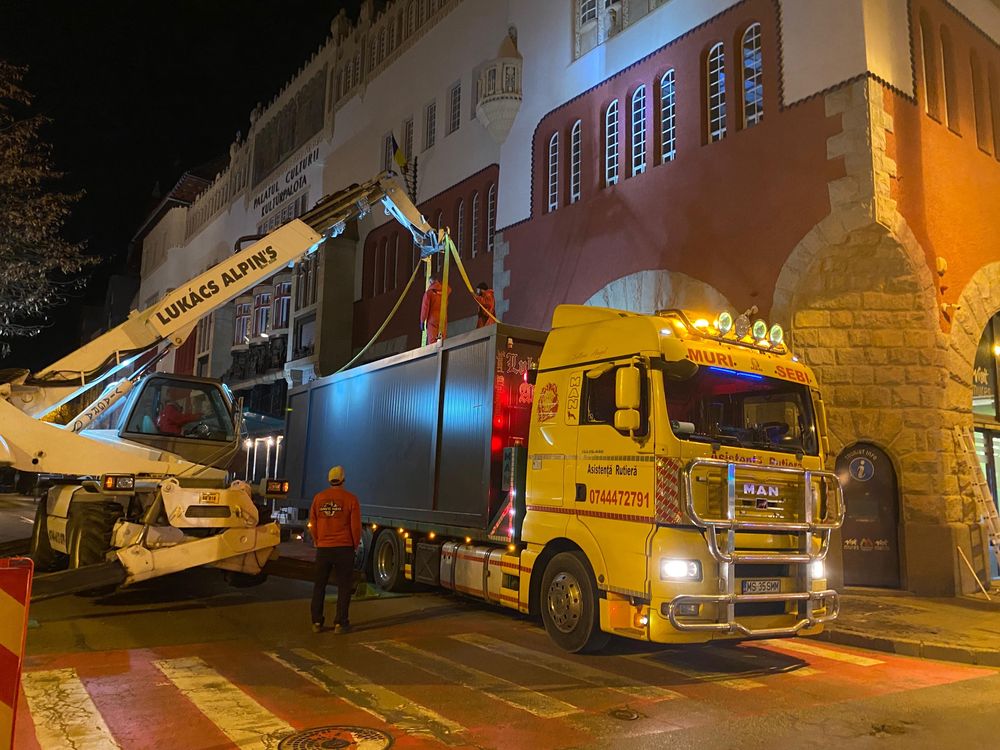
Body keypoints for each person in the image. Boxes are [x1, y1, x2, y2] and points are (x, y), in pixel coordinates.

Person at [309, 465, 361, 633]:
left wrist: (318, 540)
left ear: (329, 479)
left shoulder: (318, 498)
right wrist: (354, 544)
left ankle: (317, 622)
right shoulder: (351, 499)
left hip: (324, 549)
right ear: (343, 479)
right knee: (344, 586)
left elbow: (313, 523)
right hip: (344, 548)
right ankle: (340, 622)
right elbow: (355, 527)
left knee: (319, 586)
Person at [420, 274, 449, 343]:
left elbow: (425, 308)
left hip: (433, 318)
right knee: (442, 339)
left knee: (432, 340)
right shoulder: (445, 291)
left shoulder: (429, 293)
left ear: (430, 282)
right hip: (443, 317)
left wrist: (422, 320)